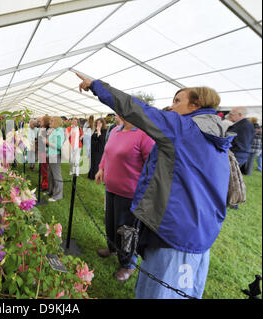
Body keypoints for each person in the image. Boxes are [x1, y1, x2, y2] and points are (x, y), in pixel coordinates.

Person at [77, 73, 233, 299]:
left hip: (176, 233)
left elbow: (138, 109)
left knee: (160, 292)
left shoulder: (184, 128)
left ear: (195, 104)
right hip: (200, 228)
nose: (171, 106)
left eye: (177, 101)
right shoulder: (215, 133)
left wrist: (97, 86)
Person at [95, 116, 155, 281]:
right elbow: (107, 153)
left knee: (127, 230)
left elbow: (152, 166)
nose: (117, 113)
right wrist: (101, 169)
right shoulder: (115, 130)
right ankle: (113, 248)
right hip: (111, 189)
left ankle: (128, 264)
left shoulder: (144, 135)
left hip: (130, 194)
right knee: (111, 223)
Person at [226, 107, 255, 172]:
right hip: (237, 153)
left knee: (230, 175)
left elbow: (243, 143)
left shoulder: (245, 125)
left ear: (240, 114)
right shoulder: (242, 124)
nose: (229, 115)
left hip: (238, 154)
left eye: (231, 114)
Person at [46, 116, 65, 202]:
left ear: (57, 122)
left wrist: (47, 142)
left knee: (56, 175)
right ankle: (51, 191)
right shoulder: (54, 130)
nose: (50, 122)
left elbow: (58, 146)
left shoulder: (59, 131)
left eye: (52, 121)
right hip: (51, 154)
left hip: (55, 155)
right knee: (50, 174)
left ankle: (57, 195)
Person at [38, 115, 50, 191]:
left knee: (45, 169)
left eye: (42, 121)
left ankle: (45, 185)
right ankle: (43, 182)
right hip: (41, 150)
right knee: (43, 169)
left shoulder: (47, 130)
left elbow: (46, 142)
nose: (40, 122)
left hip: (45, 151)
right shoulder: (42, 129)